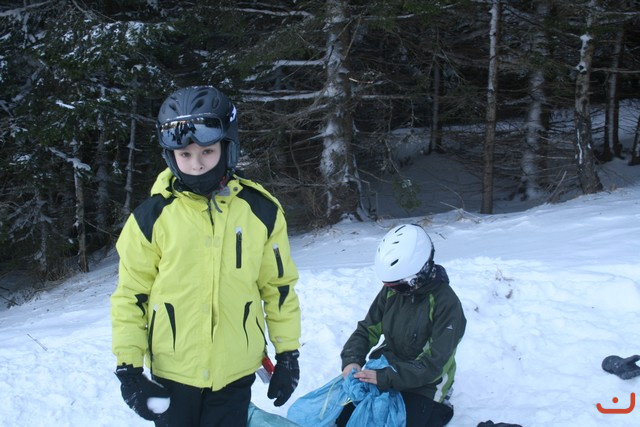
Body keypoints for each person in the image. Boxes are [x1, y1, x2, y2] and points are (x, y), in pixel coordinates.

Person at [110, 86, 302, 426]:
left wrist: (287, 353)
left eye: (207, 151)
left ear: (228, 147)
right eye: (185, 154)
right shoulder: (150, 218)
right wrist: (129, 368)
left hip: (235, 373)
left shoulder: (261, 211)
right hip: (173, 371)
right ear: (170, 155)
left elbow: (278, 288)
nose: (196, 164)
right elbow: (131, 295)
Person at [338, 223, 466, 427]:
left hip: (425, 384)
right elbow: (367, 329)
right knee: (344, 419)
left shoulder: (446, 304)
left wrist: (386, 377)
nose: (393, 291)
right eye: (389, 285)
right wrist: (352, 360)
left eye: (399, 285)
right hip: (386, 369)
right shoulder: (392, 292)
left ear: (421, 273)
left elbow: (434, 365)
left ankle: (439, 409)